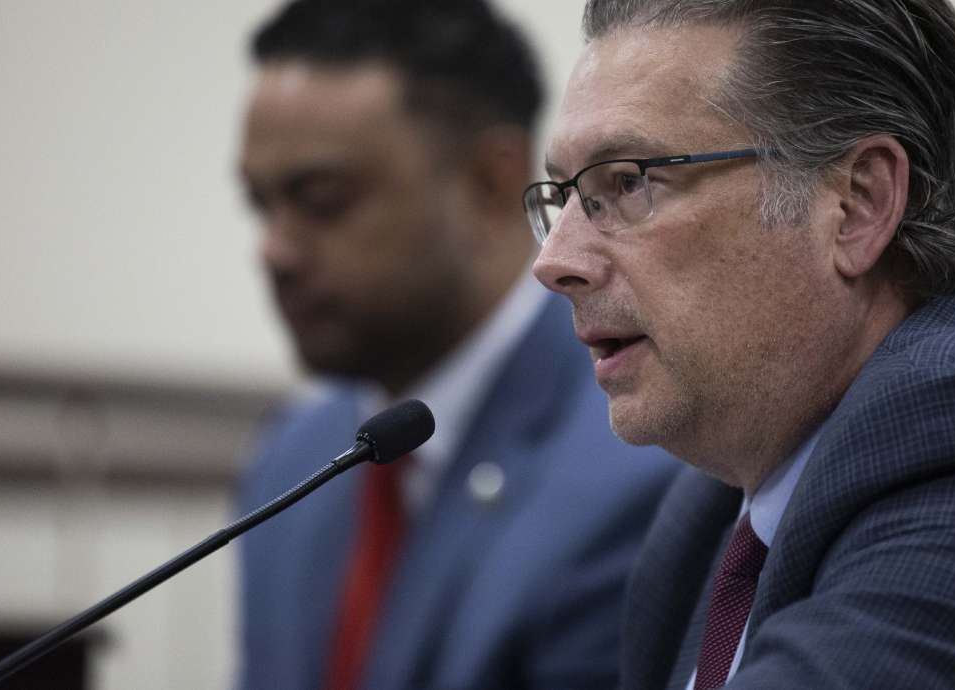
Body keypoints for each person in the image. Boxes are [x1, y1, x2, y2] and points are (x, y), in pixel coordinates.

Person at [525, 1, 955, 688]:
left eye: (629, 182)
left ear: (858, 203)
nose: (556, 260)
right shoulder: (714, 507)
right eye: (562, 197)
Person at [235, 1, 676, 689]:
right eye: (262, 204)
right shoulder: (289, 461)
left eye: (321, 200)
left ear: (490, 181)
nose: (275, 251)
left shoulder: (639, 462)